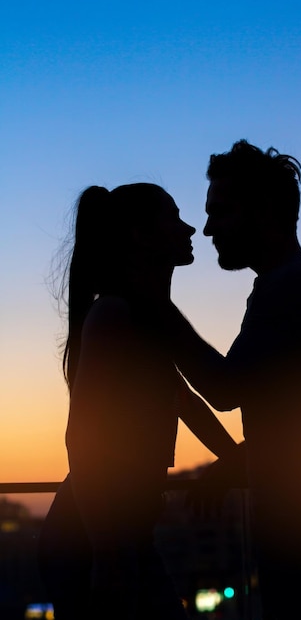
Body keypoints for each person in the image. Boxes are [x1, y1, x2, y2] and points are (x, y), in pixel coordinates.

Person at [163, 140, 301, 620]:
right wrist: (234, 465)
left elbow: (224, 389)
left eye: (220, 212)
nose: (208, 228)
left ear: (261, 211)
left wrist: (157, 310)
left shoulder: (290, 285)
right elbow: (300, 422)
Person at [37, 183, 239, 620]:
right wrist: (107, 556)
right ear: (139, 235)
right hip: (96, 540)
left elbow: (185, 401)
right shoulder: (114, 315)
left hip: (116, 536)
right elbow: (81, 438)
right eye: (173, 217)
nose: (189, 229)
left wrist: (238, 459)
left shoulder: (141, 317)